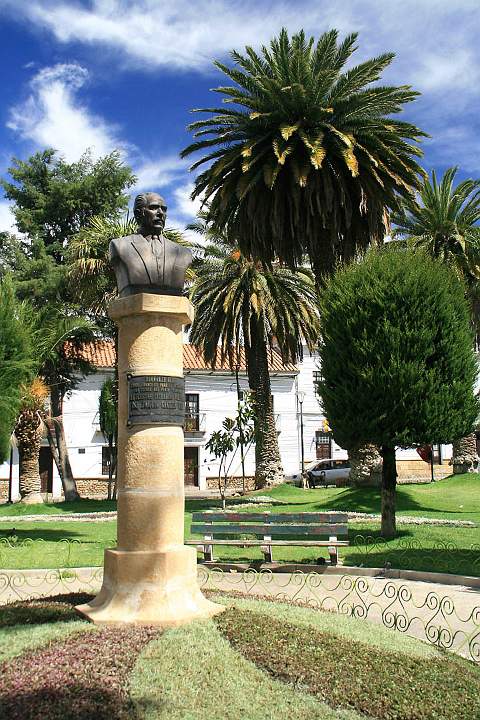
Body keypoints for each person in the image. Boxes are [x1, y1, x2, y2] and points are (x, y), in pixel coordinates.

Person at [109, 192, 191, 297]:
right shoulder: (120, 246)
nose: (160, 213)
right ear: (138, 213)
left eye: (164, 209)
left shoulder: (183, 252)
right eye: (153, 208)